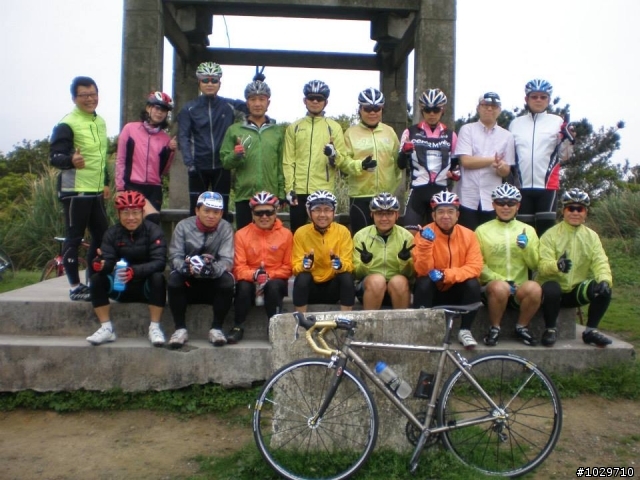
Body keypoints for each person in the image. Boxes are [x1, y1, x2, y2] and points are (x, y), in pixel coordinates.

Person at [49, 76, 110, 301]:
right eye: (84, 95)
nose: (90, 99)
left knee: (102, 237)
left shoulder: (100, 121)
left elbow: (100, 157)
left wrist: (105, 182)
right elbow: (54, 156)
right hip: (74, 190)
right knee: (74, 238)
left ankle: (94, 282)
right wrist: (70, 160)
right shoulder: (67, 123)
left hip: (95, 189)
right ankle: (75, 287)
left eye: (93, 94)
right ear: (74, 98)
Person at [86, 191, 167, 346]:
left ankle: (155, 327)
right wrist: (101, 264)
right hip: (120, 287)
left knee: (158, 278)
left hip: (145, 288)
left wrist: (134, 271)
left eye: (135, 213)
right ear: (118, 214)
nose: (131, 218)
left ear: (142, 213)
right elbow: (108, 261)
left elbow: (160, 262)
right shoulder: (111, 233)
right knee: (96, 279)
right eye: (125, 213)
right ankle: (106, 328)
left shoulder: (154, 231)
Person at [537, 188, 613, 347]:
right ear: (563, 211)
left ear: (586, 213)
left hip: (575, 291)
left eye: (580, 209)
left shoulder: (592, 236)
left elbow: (600, 261)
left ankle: (590, 331)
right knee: (552, 288)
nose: (575, 213)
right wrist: (557, 266)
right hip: (551, 292)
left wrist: (604, 280)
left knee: (604, 288)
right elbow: (542, 266)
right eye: (571, 208)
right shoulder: (550, 234)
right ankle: (550, 329)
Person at [412, 191, 483, 349]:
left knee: (473, 283)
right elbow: (422, 271)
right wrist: (425, 245)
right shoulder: (424, 233)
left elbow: (475, 267)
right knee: (423, 282)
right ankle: (424, 330)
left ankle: (465, 330)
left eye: (450, 211)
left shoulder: (469, 235)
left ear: (457, 215)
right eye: (441, 212)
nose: (445, 216)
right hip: (433, 291)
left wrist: (446, 275)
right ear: (433, 215)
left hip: (456, 289)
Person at [177, 62, 247, 218]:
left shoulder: (229, 105)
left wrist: (257, 82)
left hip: (222, 165)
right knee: (196, 211)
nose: (210, 84)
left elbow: (252, 107)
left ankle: (223, 234)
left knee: (222, 211)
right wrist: (189, 163)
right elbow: (183, 137)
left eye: (214, 80)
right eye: (205, 80)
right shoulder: (189, 108)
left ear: (219, 83)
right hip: (198, 166)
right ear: (199, 83)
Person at [475, 184, 541, 346]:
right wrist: (502, 280)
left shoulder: (528, 230)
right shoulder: (481, 231)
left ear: (518, 206)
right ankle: (494, 328)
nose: (505, 207)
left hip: (519, 287)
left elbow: (535, 264)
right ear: (493, 205)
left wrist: (526, 249)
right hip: (493, 287)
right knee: (500, 287)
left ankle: (521, 327)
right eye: (501, 202)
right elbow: (478, 264)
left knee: (535, 288)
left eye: (511, 203)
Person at [167, 191, 235, 348]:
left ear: (221, 214)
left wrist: (212, 269)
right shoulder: (183, 226)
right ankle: (180, 329)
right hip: (188, 280)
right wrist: (185, 267)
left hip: (212, 281)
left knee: (227, 280)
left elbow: (227, 260)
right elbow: (174, 256)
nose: (211, 216)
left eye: (216, 212)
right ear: (197, 210)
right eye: (206, 211)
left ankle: (216, 328)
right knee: (173, 279)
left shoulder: (226, 228)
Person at [509, 79, 575, 236]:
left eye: (543, 97)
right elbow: (510, 155)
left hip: (547, 186)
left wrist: (569, 140)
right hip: (522, 186)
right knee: (524, 234)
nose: (538, 100)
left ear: (549, 100)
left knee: (546, 233)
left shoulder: (557, 122)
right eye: (534, 96)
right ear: (526, 99)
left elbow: (565, 156)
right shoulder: (515, 124)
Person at [282, 80, 348, 233]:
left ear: (326, 102)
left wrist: (333, 155)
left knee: (323, 234)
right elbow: (288, 161)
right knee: (297, 234)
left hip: (323, 189)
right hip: (298, 190)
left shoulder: (334, 127)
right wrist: (289, 189)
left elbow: (342, 160)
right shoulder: (294, 127)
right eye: (311, 98)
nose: (315, 102)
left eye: (319, 98)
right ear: (304, 100)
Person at [221, 80, 285, 230]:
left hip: (270, 195)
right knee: (244, 237)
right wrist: (235, 155)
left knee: (270, 238)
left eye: (261, 99)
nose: (257, 103)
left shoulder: (277, 131)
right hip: (245, 194)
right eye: (253, 99)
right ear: (247, 103)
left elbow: (281, 164)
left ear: (268, 103)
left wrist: (281, 193)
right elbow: (225, 162)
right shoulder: (234, 130)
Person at [232, 192, 293, 342]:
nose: (264, 217)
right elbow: (238, 267)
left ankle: (274, 327)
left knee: (273, 286)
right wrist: (255, 275)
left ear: (276, 212)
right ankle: (238, 326)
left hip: (275, 280)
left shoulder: (286, 235)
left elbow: (288, 267)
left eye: (268, 212)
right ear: (252, 214)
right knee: (243, 286)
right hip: (251, 280)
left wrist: (268, 276)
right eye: (259, 213)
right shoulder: (241, 234)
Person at [398, 88, 458, 234]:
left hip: (441, 191)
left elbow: (455, 165)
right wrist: (404, 152)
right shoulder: (410, 132)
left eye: (436, 110)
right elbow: (400, 165)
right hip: (417, 191)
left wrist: (455, 174)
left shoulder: (451, 135)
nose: (432, 114)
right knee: (410, 235)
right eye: (427, 110)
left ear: (442, 110)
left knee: (439, 236)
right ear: (422, 111)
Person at [341, 88, 401, 234]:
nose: (372, 112)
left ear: (382, 109)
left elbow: (397, 163)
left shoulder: (389, 132)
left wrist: (392, 187)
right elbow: (343, 163)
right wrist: (360, 165)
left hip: (385, 196)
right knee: (361, 240)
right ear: (360, 109)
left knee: (386, 241)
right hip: (360, 196)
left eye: (376, 108)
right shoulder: (350, 133)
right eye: (367, 109)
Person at [454, 92, 515, 230]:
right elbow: (466, 161)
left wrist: (501, 166)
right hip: (467, 196)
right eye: (485, 105)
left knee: (489, 239)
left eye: (494, 106)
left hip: (492, 198)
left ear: (499, 110)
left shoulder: (507, 136)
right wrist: (492, 160)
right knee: (467, 237)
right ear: (478, 108)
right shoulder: (467, 129)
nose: (489, 109)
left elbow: (506, 171)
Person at [115, 91, 177, 224]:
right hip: (132, 185)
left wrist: (170, 151)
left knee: (151, 227)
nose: (159, 113)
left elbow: (164, 170)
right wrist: (120, 188)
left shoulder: (165, 138)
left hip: (154, 188)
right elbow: (121, 160)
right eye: (157, 108)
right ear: (148, 108)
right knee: (149, 218)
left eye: (164, 110)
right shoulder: (130, 129)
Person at [292, 190, 355, 312]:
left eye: (327, 210)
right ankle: (300, 319)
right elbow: (295, 267)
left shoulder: (343, 231)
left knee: (346, 277)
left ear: (334, 212)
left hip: (333, 287)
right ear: (309, 212)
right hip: (311, 289)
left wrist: (340, 265)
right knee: (302, 277)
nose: (322, 214)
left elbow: (349, 264)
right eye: (317, 210)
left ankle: (346, 318)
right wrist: (305, 266)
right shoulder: (300, 233)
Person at [352, 193, 414, 309]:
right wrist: (365, 263)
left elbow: (411, 275)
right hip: (369, 287)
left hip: (397, 289)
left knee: (399, 281)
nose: (384, 218)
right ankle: (370, 320)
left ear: (397, 215)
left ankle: (401, 320)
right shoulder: (361, 236)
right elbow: (357, 274)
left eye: (389, 213)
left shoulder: (407, 237)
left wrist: (404, 261)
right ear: (372, 214)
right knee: (377, 280)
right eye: (379, 214)